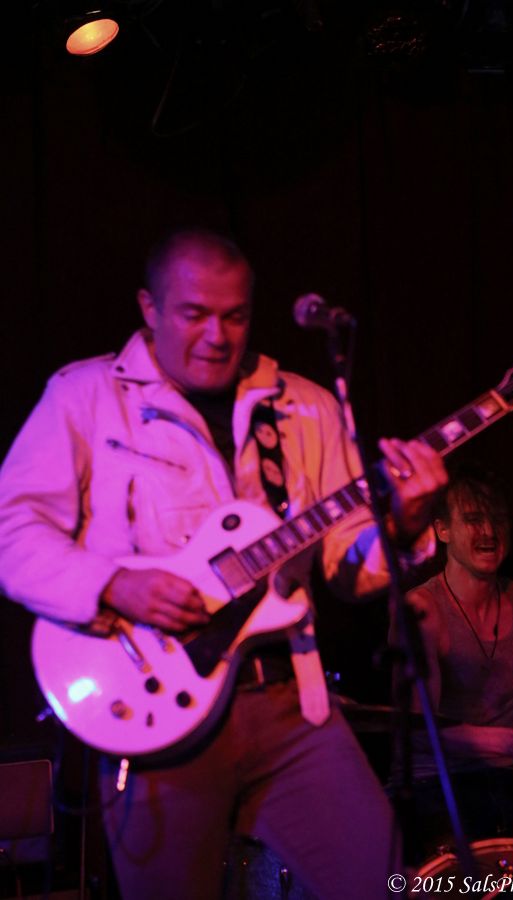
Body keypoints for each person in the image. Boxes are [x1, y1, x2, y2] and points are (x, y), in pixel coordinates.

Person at [0, 229, 447, 900]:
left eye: (235, 316)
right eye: (194, 314)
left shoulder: (304, 407)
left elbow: (346, 568)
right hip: (155, 720)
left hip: (291, 706)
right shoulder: (84, 396)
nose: (217, 335)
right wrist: (114, 584)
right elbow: (11, 530)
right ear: (149, 308)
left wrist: (405, 527)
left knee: (381, 884)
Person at [391, 466, 513, 864]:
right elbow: (420, 730)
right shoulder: (422, 610)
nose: (488, 532)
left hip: (506, 781)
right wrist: (511, 743)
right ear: (442, 530)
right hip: (434, 782)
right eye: (473, 519)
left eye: (497, 520)